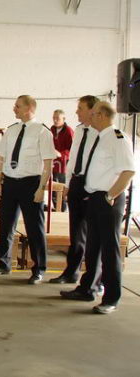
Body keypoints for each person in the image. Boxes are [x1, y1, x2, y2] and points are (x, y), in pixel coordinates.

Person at [61, 102, 135, 314]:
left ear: (101, 115)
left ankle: (111, 298)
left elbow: (128, 172)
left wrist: (110, 195)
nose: (90, 118)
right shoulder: (101, 137)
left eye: (93, 114)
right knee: (93, 248)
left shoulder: (118, 138)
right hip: (94, 197)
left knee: (109, 250)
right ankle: (88, 289)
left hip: (108, 199)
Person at [0, 95, 56, 284]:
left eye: (17, 106)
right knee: (6, 225)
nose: (14, 109)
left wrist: (42, 188)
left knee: (35, 228)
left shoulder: (42, 131)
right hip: (10, 182)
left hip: (31, 183)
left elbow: (48, 164)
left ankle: (39, 268)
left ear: (29, 108)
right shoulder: (11, 130)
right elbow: (1, 157)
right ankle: (3, 263)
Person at [50, 96, 99, 285]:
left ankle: (95, 279)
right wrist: (69, 184)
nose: (77, 112)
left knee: (93, 234)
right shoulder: (79, 130)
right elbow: (73, 158)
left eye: (80, 108)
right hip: (77, 182)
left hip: (93, 184)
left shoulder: (100, 132)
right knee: (76, 232)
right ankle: (71, 272)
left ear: (92, 110)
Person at [50, 109, 73, 211]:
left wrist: (61, 154)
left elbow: (72, 149)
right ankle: (56, 209)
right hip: (53, 164)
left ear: (64, 119)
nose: (55, 120)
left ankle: (62, 210)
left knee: (62, 189)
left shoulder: (68, 131)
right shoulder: (52, 129)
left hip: (63, 166)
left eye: (57, 118)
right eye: (54, 118)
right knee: (53, 189)